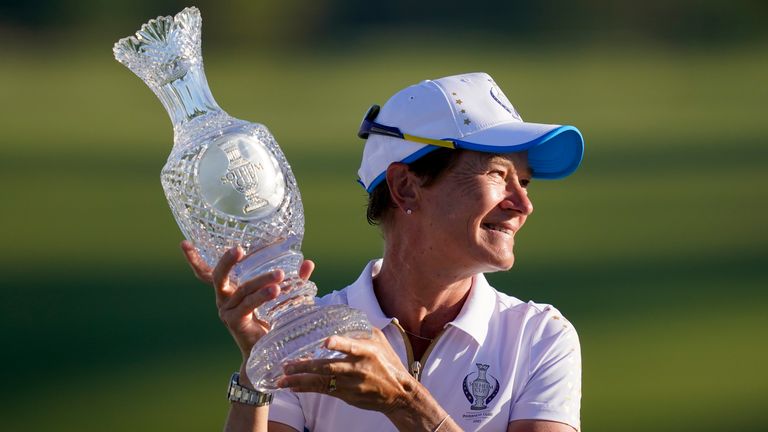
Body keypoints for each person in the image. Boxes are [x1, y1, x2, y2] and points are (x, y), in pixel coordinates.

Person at [182, 72, 585, 432]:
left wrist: (405, 401)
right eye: (498, 174)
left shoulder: (539, 337)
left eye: (525, 182)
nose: (522, 203)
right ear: (406, 187)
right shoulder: (311, 341)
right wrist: (257, 369)